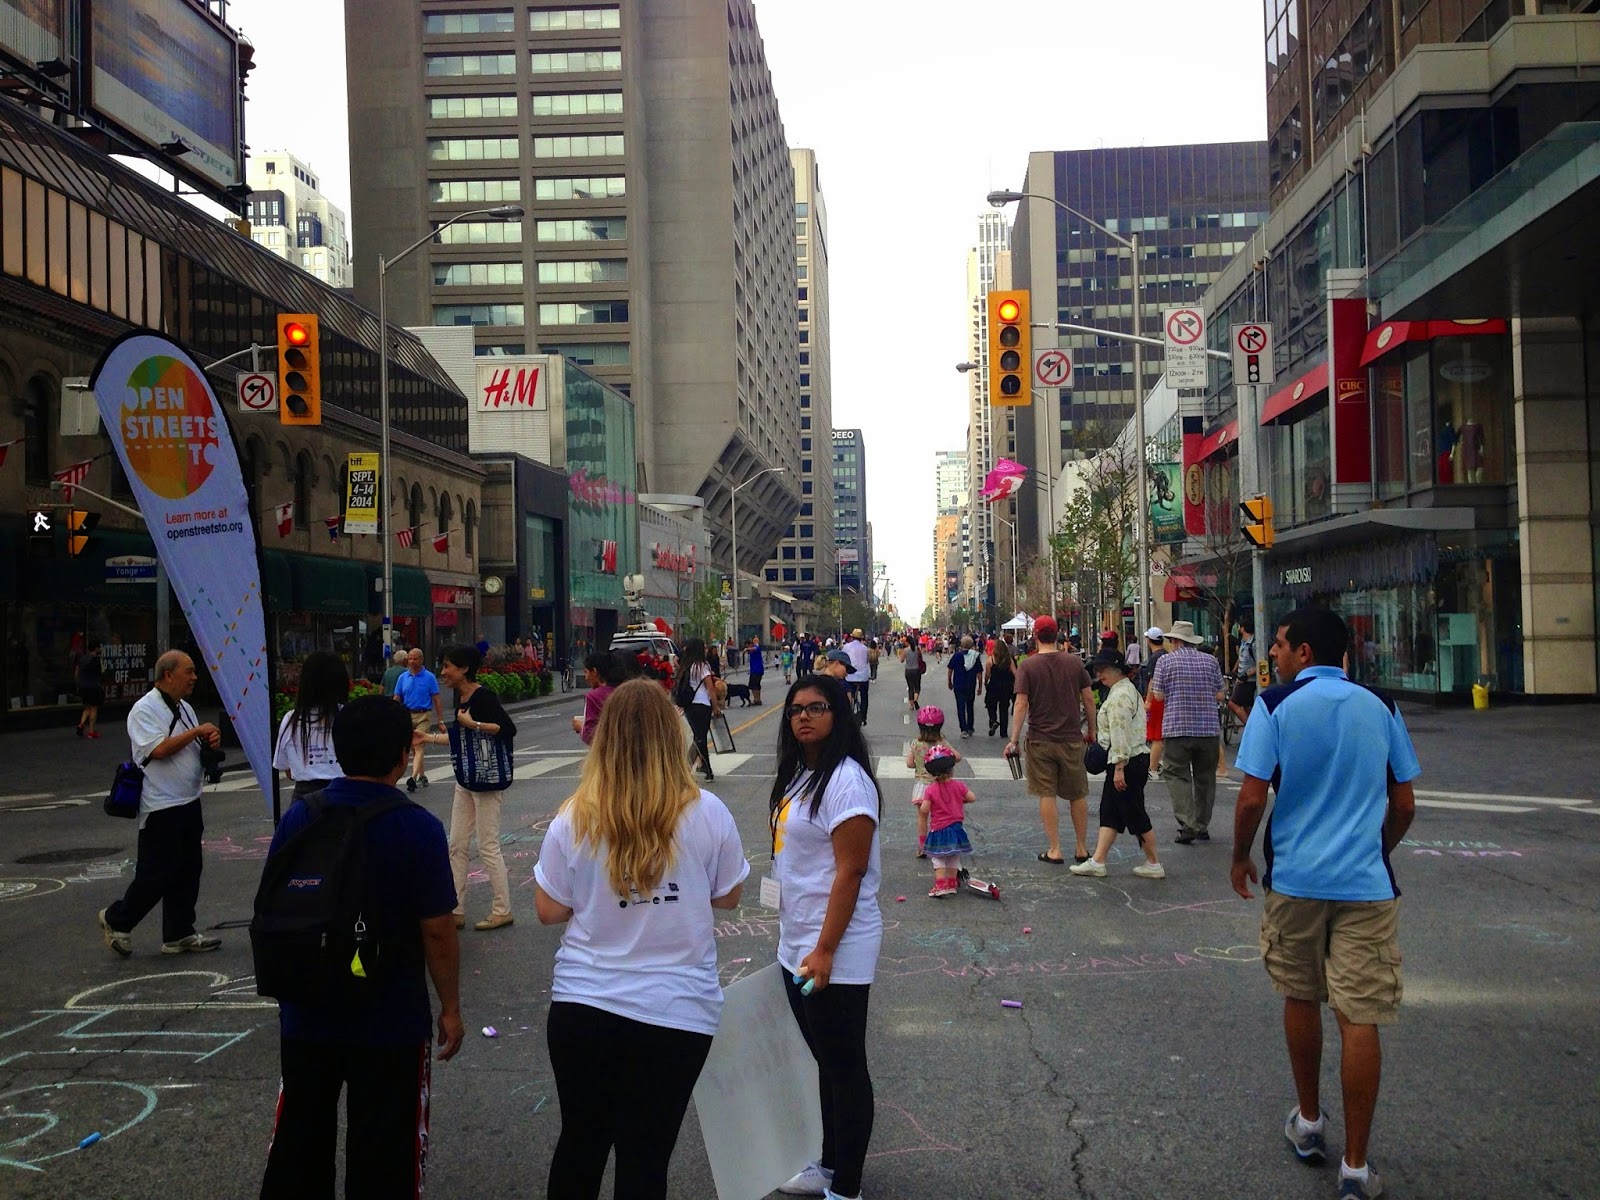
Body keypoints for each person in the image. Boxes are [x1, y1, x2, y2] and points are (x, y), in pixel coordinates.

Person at [1231, 608, 1420, 1200]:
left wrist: (1239, 857)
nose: (1274, 654)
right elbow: (1404, 803)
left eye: (1280, 645)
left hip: (1296, 881)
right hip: (1366, 885)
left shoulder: (1274, 705)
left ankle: (1309, 1121)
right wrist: (1378, 848)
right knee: (1360, 1015)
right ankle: (1357, 1168)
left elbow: (1251, 798)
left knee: (1300, 994)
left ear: (1305, 652)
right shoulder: (1382, 706)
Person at [534, 679, 748, 1200]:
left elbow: (548, 910)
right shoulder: (708, 811)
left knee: (581, 1144)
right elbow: (728, 896)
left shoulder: (575, 815)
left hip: (584, 1003)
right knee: (646, 1157)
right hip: (676, 1010)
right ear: (674, 736)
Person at [259, 696, 464, 1197]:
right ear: (402, 755)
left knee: (301, 1139)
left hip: (307, 1009)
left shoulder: (301, 816)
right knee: (385, 1152)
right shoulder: (418, 827)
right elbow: (438, 929)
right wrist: (450, 1008)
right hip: (389, 1017)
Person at [771, 675, 881, 1200]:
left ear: (838, 715)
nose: (804, 717)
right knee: (826, 1063)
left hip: (835, 947)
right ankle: (831, 1164)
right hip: (799, 943)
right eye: (796, 709)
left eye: (817, 708)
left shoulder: (847, 781)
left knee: (844, 1067)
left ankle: (847, 1187)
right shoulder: (802, 774)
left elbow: (850, 871)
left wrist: (825, 950)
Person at [97, 651, 222, 958]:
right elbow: (159, 749)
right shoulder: (144, 709)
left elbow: (190, 745)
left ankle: (179, 933)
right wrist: (197, 731)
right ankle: (117, 919)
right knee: (158, 873)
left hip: (188, 799)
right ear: (168, 675)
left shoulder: (185, 708)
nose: (194, 677)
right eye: (188, 672)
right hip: (160, 804)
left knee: (189, 870)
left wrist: (209, 741)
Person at [421, 645, 518, 932]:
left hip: (486, 780)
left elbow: (506, 729)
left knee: (487, 845)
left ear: (464, 669)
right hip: (466, 778)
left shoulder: (483, 696)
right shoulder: (460, 696)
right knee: (457, 844)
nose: (443, 672)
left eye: (448, 666)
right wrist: (425, 738)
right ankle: (456, 909)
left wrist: (473, 723)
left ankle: (502, 909)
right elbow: (460, 737)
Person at [1005, 616, 1097, 866]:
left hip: (1040, 739)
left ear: (1035, 636)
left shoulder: (1028, 666)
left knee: (1047, 793)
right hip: (1071, 738)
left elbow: (1021, 703)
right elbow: (1088, 698)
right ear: (1057, 635)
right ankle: (1081, 848)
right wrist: (1092, 730)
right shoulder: (1074, 662)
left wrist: (1013, 739)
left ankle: (1055, 849)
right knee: (1077, 794)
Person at [1070, 652, 1164, 880]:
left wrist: (1119, 768)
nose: (1099, 674)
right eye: (1097, 670)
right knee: (1110, 812)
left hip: (1126, 761)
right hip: (1131, 759)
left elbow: (1120, 733)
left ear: (1118, 670)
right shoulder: (1126, 690)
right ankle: (1098, 861)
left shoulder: (1119, 696)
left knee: (1135, 814)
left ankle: (1154, 863)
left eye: (1103, 669)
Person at [1149, 620, 1226, 845]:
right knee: (1205, 778)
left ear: (1175, 640)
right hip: (1207, 729)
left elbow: (1158, 695)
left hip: (1177, 728)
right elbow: (1220, 694)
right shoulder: (1210, 661)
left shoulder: (1165, 661)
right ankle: (1202, 825)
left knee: (1177, 774)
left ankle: (1187, 822)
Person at [273, 651, 348, 801]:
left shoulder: (291, 719)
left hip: (304, 799)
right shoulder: (349, 716)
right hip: (344, 796)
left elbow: (288, 770)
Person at [917, 746, 976, 898]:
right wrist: (960, 800)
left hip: (939, 830)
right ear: (951, 769)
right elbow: (972, 798)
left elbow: (924, 809)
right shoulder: (958, 786)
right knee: (953, 857)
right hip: (956, 829)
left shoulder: (931, 790)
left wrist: (926, 802)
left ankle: (940, 885)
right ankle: (951, 883)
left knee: (938, 858)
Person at [906, 705, 959, 859]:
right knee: (941, 816)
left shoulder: (916, 743)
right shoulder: (942, 743)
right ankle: (942, 843)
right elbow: (957, 757)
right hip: (940, 786)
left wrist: (919, 763)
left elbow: (909, 763)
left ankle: (922, 846)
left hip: (922, 787)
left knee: (922, 816)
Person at [394, 648, 445, 792]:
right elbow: (396, 698)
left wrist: (440, 720)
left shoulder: (429, 677)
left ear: (421, 660)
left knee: (419, 745)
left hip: (424, 715)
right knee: (412, 747)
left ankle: (413, 777)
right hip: (407, 715)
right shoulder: (403, 677)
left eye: (415, 659)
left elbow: (437, 700)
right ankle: (422, 776)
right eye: (409, 658)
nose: (411, 661)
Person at [677, 637, 719, 783]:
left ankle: (700, 767)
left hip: (690, 705)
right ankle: (701, 769)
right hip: (702, 704)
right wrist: (716, 706)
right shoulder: (703, 666)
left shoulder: (686, 665)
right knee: (700, 738)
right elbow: (710, 688)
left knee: (698, 737)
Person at [571, 651, 618, 745]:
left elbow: (590, 736)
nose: (586, 678)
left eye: (586, 672)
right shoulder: (621, 691)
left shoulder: (592, 697)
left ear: (594, 672)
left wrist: (581, 727)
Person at [946, 635, 983, 738]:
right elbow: (979, 673)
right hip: (970, 684)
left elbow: (950, 670)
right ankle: (970, 726)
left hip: (958, 684)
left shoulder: (956, 656)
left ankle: (963, 729)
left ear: (961, 644)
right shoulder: (975, 656)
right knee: (970, 706)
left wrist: (949, 681)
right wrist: (980, 686)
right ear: (971, 645)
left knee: (960, 707)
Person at [1228, 616, 1259, 728]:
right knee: (1247, 707)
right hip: (1242, 677)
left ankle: (1250, 727)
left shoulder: (1253, 644)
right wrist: (1234, 671)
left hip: (1248, 681)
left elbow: (1260, 664)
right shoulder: (1243, 642)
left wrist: (1245, 676)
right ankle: (1255, 727)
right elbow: (1240, 658)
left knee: (1232, 703)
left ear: (1243, 628)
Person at [984, 638, 1016, 738]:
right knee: (1004, 708)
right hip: (1006, 686)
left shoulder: (991, 659)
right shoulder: (1009, 660)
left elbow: (987, 674)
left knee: (990, 704)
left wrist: (985, 682)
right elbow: (1015, 672)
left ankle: (993, 720)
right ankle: (1003, 732)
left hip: (994, 685)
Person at [74, 641, 105, 738]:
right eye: (99, 647)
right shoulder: (96, 660)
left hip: (83, 686)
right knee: (94, 708)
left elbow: (76, 672)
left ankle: (81, 724)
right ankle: (91, 731)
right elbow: (101, 672)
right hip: (93, 686)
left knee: (87, 707)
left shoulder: (81, 659)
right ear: (96, 648)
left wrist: (78, 683)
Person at [842, 628, 872, 723]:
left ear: (852, 637)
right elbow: (867, 660)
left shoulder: (846, 647)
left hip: (850, 677)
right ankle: (863, 717)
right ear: (861, 638)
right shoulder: (865, 648)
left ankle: (847, 715)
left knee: (848, 696)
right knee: (864, 696)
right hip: (863, 677)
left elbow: (843, 659)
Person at [900, 634, 927, 713]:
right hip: (916, 670)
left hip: (908, 670)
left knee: (910, 688)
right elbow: (921, 658)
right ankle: (915, 699)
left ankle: (911, 706)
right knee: (917, 687)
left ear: (907, 642)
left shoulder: (905, 650)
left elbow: (901, 660)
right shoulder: (917, 649)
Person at [748, 637, 766, 705]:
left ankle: (756, 699)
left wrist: (747, 649)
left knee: (754, 686)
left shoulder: (756, 647)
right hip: (756, 670)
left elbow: (755, 648)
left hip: (756, 670)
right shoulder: (754, 650)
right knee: (757, 685)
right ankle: (758, 699)